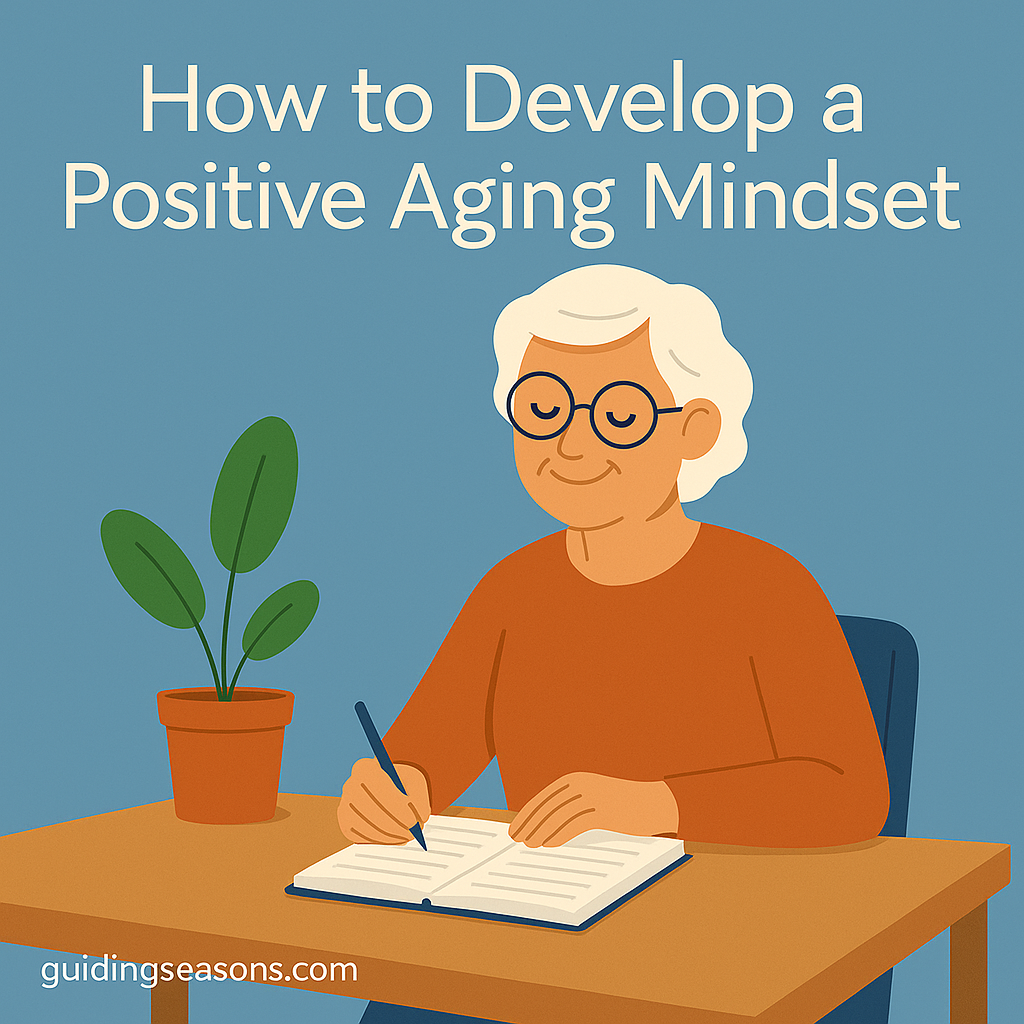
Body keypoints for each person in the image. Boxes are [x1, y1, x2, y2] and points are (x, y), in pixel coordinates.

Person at [339, 263, 889, 857]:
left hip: (731, 899)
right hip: (553, 899)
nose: (571, 445)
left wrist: (655, 806)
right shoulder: (514, 590)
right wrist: (392, 789)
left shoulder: (766, 587)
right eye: (543, 409)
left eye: (620, 417)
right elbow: (424, 757)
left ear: (695, 429)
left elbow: (850, 794)